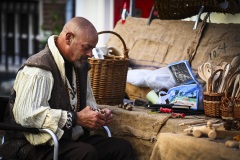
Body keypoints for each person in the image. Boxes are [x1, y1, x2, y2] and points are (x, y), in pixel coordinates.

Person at [0, 17, 135, 160]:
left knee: (121, 148)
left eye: (92, 48)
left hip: (67, 140)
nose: (90, 54)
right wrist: (75, 119)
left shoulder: (80, 65)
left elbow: (87, 102)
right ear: (69, 38)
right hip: (32, 145)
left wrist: (97, 114)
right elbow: (27, 116)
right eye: (86, 47)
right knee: (86, 153)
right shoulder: (38, 68)